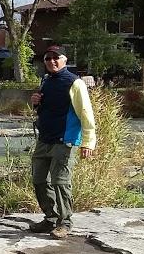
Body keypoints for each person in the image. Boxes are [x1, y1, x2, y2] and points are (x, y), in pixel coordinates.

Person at [29, 46, 96, 238]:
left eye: (56, 58)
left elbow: (86, 114)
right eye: (48, 58)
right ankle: (50, 219)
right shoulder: (46, 80)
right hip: (44, 139)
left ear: (65, 60)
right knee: (39, 180)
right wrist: (35, 102)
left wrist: (87, 142)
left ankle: (65, 223)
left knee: (60, 182)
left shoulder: (75, 83)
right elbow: (44, 107)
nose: (52, 61)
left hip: (65, 140)